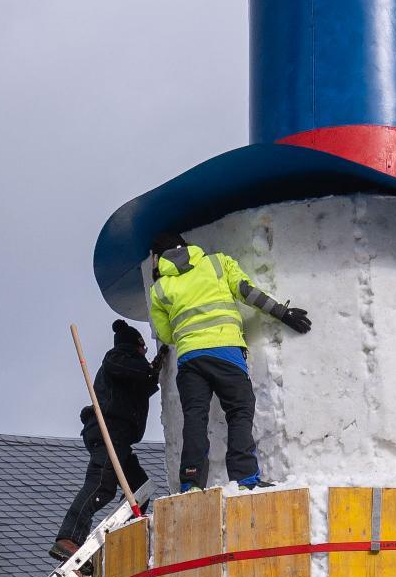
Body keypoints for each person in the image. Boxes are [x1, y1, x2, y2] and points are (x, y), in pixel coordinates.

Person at [146, 235, 310, 492]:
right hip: (226, 353)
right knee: (239, 410)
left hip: (190, 359)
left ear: (158, 258)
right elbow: (247, 292)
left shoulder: (160, 289)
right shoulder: (217, 263)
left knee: (195, 418)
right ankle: (245, 479)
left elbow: (166, 335)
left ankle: (191, 482)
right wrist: (283, 313)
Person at [53, 321, 160, 560]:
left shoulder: (129, 367)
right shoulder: (118, 356)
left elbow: (142, 384)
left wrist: (154, 371)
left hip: (118, 436)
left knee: (139, 487)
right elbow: (132, 371)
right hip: (109, 431)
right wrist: (149, 367)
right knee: (101, 483)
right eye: (143, 349)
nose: (145, 353)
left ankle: (125, 533)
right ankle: (68, 537)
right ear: (138, 346)